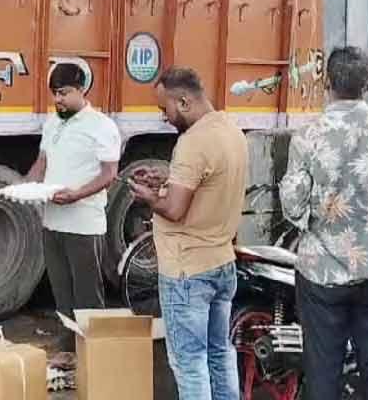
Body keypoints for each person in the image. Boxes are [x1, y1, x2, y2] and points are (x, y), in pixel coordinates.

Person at [279, 47, 368, 400]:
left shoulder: (308, 136)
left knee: (323, 371)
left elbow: (293, 205)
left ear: (327, 82)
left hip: (322, 274)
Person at [127, 67, 247, 400]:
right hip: (222, 262)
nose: (163, 117)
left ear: (183, 101)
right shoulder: (230, 129)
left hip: (187, 272)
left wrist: (149, 197)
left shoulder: (192, 142)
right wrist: (166, 178)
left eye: (164, 109)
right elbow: (207, 182)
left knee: (189, 362)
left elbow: (176, 210)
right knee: (220, 353)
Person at [25, 63, 121, 362]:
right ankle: (68, 349)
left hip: (84, 223)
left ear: (83, 90)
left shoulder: (102, 126)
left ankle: (96, 355)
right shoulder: (52, 122)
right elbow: (42, 161)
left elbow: (109, 174)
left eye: (65, 93)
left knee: (87, 294)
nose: (58, 100)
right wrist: (27, 185)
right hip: (53, 221)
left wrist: (77, 195)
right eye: (55, 93)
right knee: (61, 291)